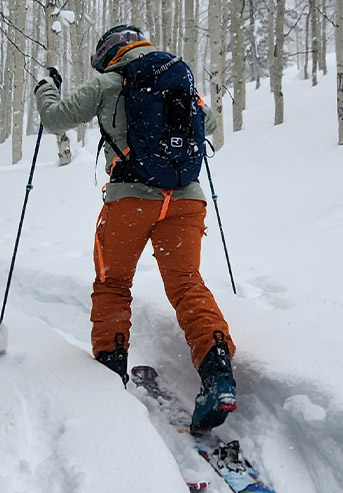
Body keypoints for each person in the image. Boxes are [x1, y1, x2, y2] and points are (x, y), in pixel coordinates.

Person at [32, 24, 237, 431]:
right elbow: (212, 125)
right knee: (187, 285)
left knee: (113, 284)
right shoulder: (177, 77)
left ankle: (110, 375)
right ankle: (218, 376)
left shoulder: (108, 82)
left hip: (131, 200)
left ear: (108, 54)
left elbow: (55, 120)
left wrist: (45, 88)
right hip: (186, 201)